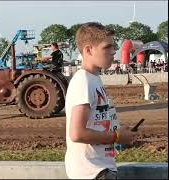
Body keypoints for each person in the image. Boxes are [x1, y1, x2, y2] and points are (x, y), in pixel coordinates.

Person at [64, 22, 137, 179]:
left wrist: (120, 133)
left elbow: (95, 123)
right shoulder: (83, 81)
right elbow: (77, 133)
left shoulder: (93, 79)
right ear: (89, 50)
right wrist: (116, 137)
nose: (113, 52)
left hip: (98, 170)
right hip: (93, 172)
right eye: (107, 47)